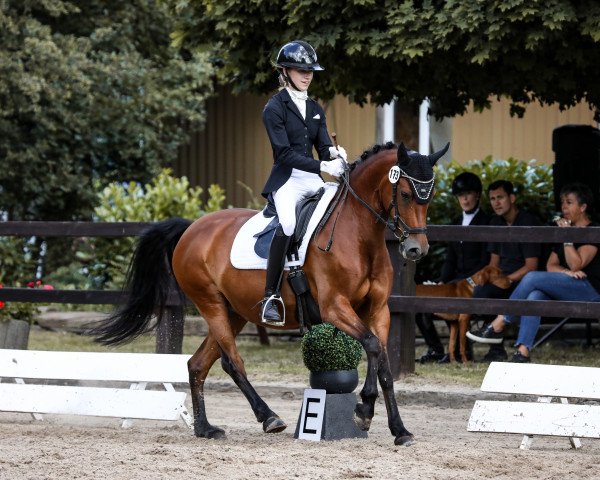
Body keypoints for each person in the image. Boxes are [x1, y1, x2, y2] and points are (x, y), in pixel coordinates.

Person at [260, 40, 348, 325]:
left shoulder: (315, 108)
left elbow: (323, 148)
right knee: (287, 224)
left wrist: (334, 153)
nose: (307, 75)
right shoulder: (274, 108)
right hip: (287, 179)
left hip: (312, 178)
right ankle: (270, 295)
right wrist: (324, 165)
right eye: (300, 70)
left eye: (310, 70)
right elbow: (284, 154)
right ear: (285, 71)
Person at [467, 183, 600, 362]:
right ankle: (522, 352)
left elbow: (577, 264)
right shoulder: (565, 229)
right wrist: (565, 272)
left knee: (531, 277)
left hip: (590, 289)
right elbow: (551, 265)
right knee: (535, 296)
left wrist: (567, 238)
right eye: (562, 203)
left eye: (569, 203)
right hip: (568, 284)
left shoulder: (593, 230)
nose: (564, 207)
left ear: (583, 207)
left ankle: (500, 321)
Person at [417, 172, 491, 363]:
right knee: (421, 305)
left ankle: (461, 351)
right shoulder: (456, 222)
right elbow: (450, 258)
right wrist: (442, 279)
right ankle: (436, 349)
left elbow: (485, 260)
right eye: (460, 195)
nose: (464, 199)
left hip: (473, 281)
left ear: (477, 195)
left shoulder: (487, 222)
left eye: (468, 194)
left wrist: (466, 280)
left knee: (458, 305)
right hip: (454, 281)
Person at [467, 179, 542, 361]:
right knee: (480, 292)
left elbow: (531, 266)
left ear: (512, 198)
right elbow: (494, 263)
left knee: (494, 291)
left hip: (524, 281)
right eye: (492, 199)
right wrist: (491, 279)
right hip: (502, 279)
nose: (496, 202)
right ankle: (496, 350)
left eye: (500, 197)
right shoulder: (495, 222)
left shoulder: (527, 222)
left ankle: (497, 336)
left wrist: (508, 280)